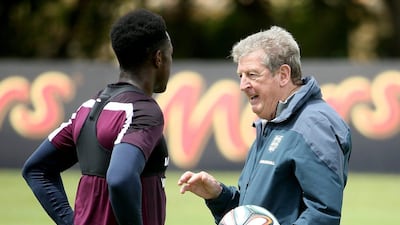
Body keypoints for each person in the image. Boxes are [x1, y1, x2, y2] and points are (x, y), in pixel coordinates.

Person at [178, 26, 351, 225]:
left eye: (252, 74)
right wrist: (219, 196)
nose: (243, 85)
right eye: (240, 76)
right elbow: (257, 214)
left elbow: (323, 215)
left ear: (284, 75)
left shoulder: (314, 125)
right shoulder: (272, 122)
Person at [22, 8, 173, 225]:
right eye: (170, 56)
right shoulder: (143, 110)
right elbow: (120, 179)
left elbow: (36, 169)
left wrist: (71, 221)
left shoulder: (89, 107)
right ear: (158, 58)